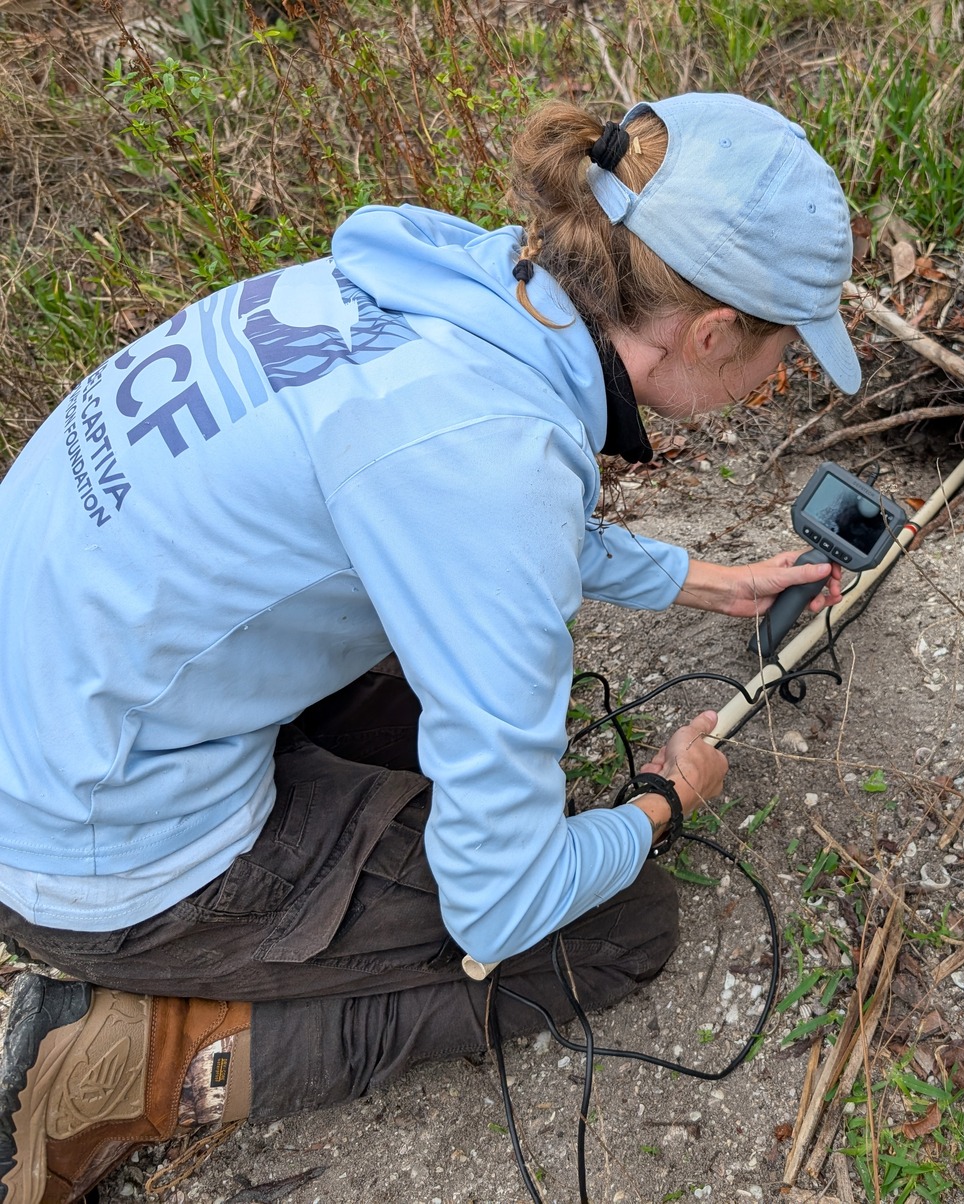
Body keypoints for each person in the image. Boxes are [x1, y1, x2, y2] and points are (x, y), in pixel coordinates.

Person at [0, 91, 860, 1203]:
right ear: (710, 333)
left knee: (475, 737)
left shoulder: (443, 287)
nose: (779, 375)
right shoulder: (487, 460)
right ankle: (131, 1060)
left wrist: (702, 581)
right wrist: (661, 803)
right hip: (91, 855)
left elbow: (446, 504)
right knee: (614, 926)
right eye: (783, 348)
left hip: (66, 715)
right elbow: (496, 907)